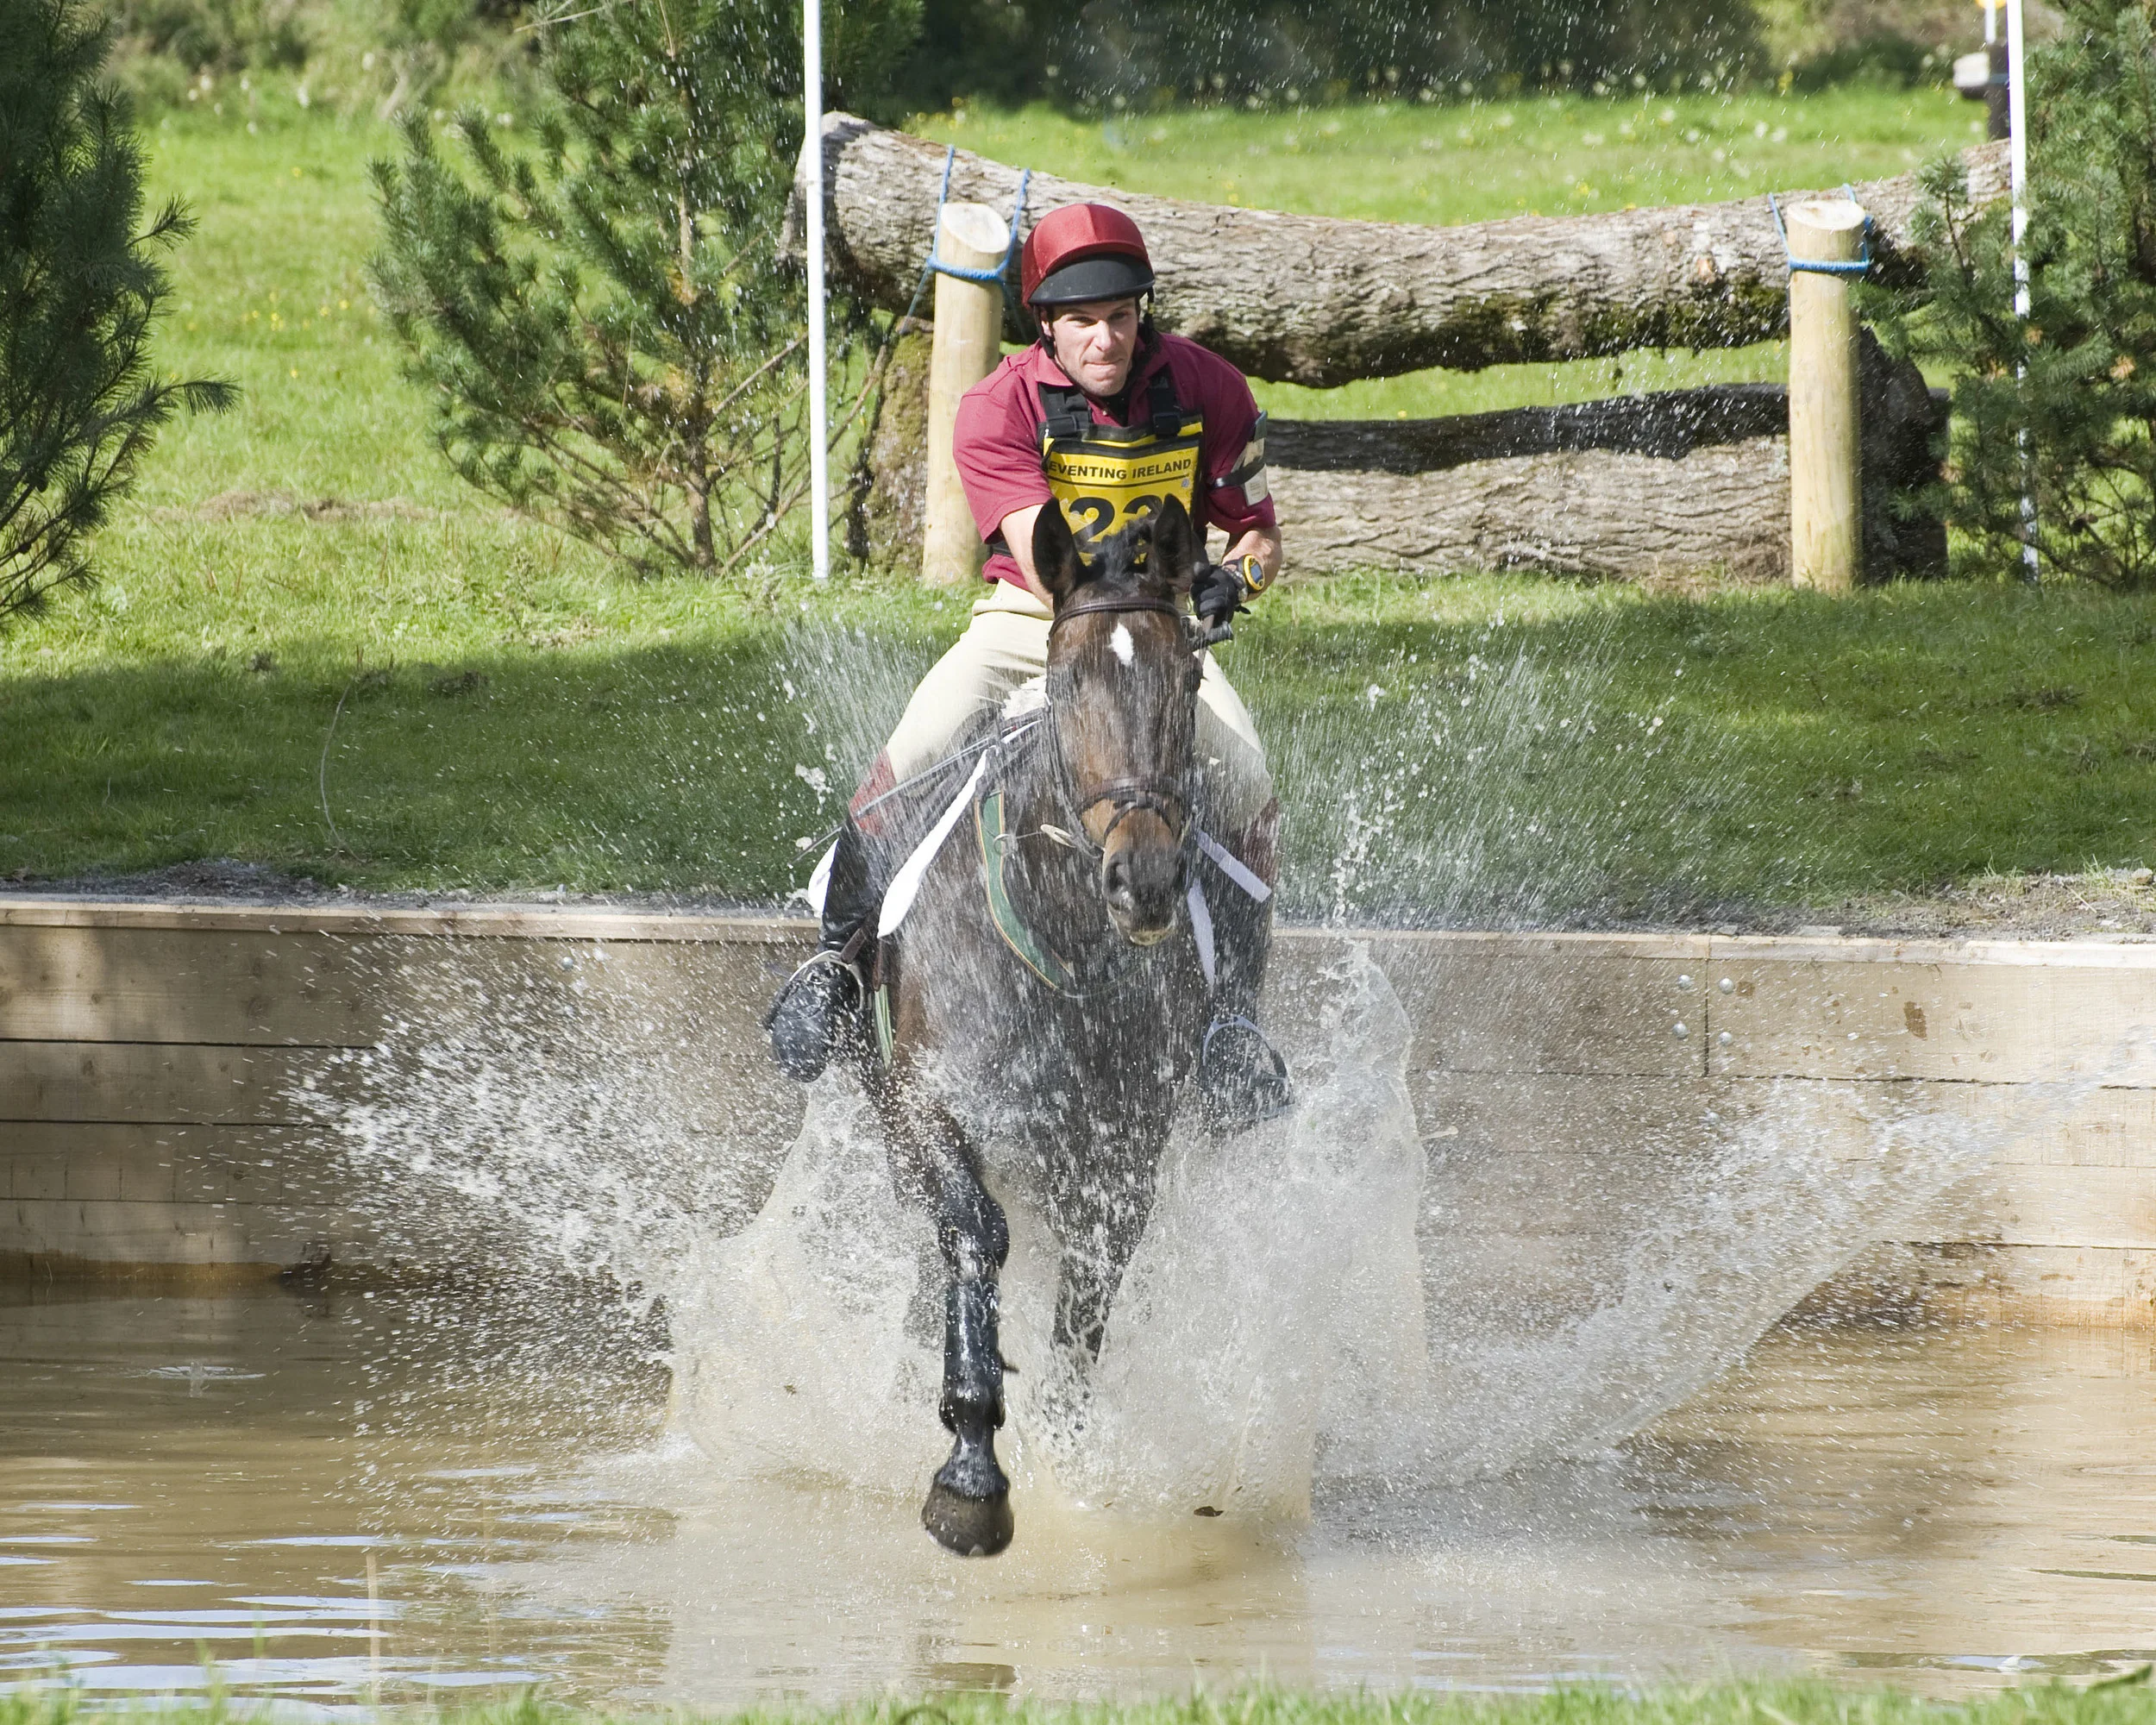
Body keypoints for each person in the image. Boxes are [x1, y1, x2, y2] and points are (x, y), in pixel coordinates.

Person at [766, 201, 1292, 1133]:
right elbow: (1045, 562)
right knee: (917, 745)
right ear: (1044, 323)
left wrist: (1230, 583)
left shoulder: (1210, 388)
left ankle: (1232, 1024)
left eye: (1121, 316)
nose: (1105, 339)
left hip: (1158, 626)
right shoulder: (996, 407)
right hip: (1036, 614)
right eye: (1082, 321)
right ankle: (835, 965)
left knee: (1247, 775)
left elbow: (1259, 537)